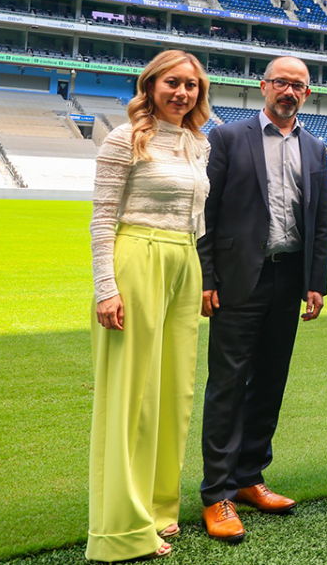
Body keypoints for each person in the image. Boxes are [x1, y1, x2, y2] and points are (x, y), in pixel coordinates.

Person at [197, 56, 327, 542]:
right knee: (227, 384)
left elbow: (319, 223)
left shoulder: (314, 148)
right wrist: (206, 278)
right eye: (281, 82)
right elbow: (206, 213)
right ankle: (216, 494)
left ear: (307, 94)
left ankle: (250, 477)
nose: (288, 91)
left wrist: (316, 281)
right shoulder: (229, 138)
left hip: (288, 278)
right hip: (237, 281)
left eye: (298, 85)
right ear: (263, 86)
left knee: (270, 382)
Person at [87, 50, 212, 561]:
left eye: (191, 86)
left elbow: (196, 215)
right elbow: (101, 218)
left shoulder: (197, 143)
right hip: (138, 258)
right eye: (172, 83)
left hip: (185, 263)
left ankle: (160, 509)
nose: (182, 93)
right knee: (130, 396)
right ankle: (122, 529)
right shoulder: (124, 138)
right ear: (151, 85)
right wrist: (105, 287)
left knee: (173, 392)